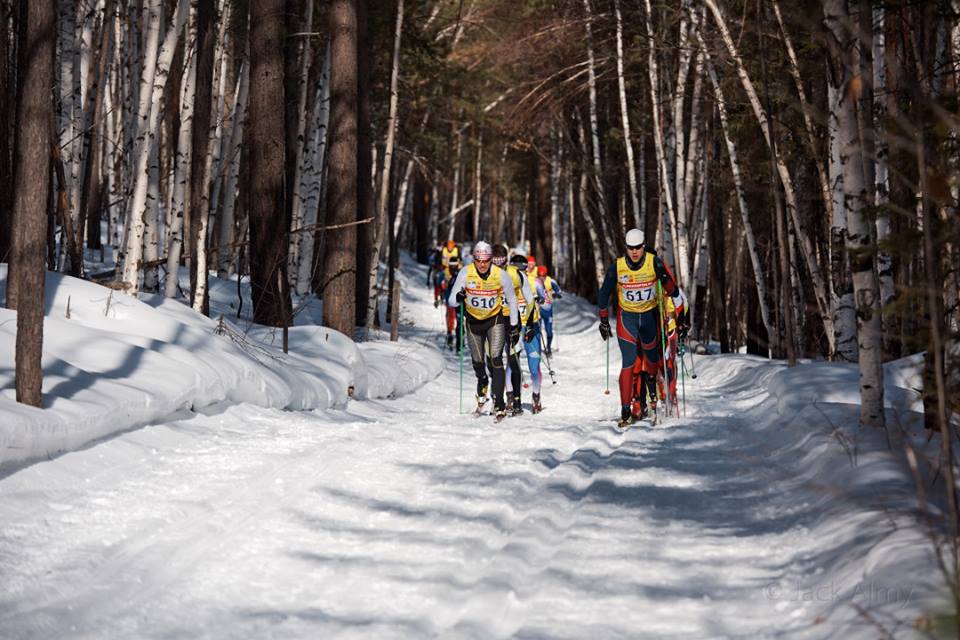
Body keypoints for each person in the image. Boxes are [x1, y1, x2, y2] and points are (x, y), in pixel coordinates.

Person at [597, 228, 687, 427]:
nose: (635, 252)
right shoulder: (617, 267)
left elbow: (672, 288)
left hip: (649, 318)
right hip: (627, 319)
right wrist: (603, 320)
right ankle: (626, 410)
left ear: (643, 246)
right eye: (631, 248)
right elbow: (604, 293)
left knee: (651, 363)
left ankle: (652, 392)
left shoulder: (653, 262)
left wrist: (681, 315)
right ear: (626, 248)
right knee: (629, 363)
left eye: (638, 247)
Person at [447, 241, 519, 421]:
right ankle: (482, 381)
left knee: (496, 359)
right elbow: (451, 302)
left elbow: (512, 300)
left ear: (491, 260)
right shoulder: (466, 272)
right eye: (478, 260)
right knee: (478, 362)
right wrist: (459, 296)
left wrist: (514, 326)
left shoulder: (500, 275)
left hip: (494, 320)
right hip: (473, 323)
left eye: (485, 260)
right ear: (474, 259)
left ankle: (499, 404)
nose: (482, 264)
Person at [499, 250, 544, 415]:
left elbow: (545, 299)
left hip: (531, 327)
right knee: (512, 363)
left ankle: (536, 395)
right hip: (515, 327)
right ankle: (510, 396)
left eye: (521, 270)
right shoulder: (505, 280)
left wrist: (540, 300)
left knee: (533, 367)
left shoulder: (535, 282)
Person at [536, 264, 563, 356]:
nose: (542, 278)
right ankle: (538, 348)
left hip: (548, 310)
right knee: (537, 331)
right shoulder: (534, 282)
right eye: (540, 275)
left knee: (549, 330)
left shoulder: (551, 281)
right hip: (538, 310)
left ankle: (548, 348)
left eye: (544, 276)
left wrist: (556, 294)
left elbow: (559, 292)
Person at [441, 255, 463, 350]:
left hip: (458, 303)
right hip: (450, 301)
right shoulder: (445, 273)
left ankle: (459, 343)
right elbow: (440, 284)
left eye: (455, 267)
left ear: (457, 266)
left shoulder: (460, 275)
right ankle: (450, 335)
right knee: (450, 319)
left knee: (459, 322)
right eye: (451, 267)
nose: (453, 269)